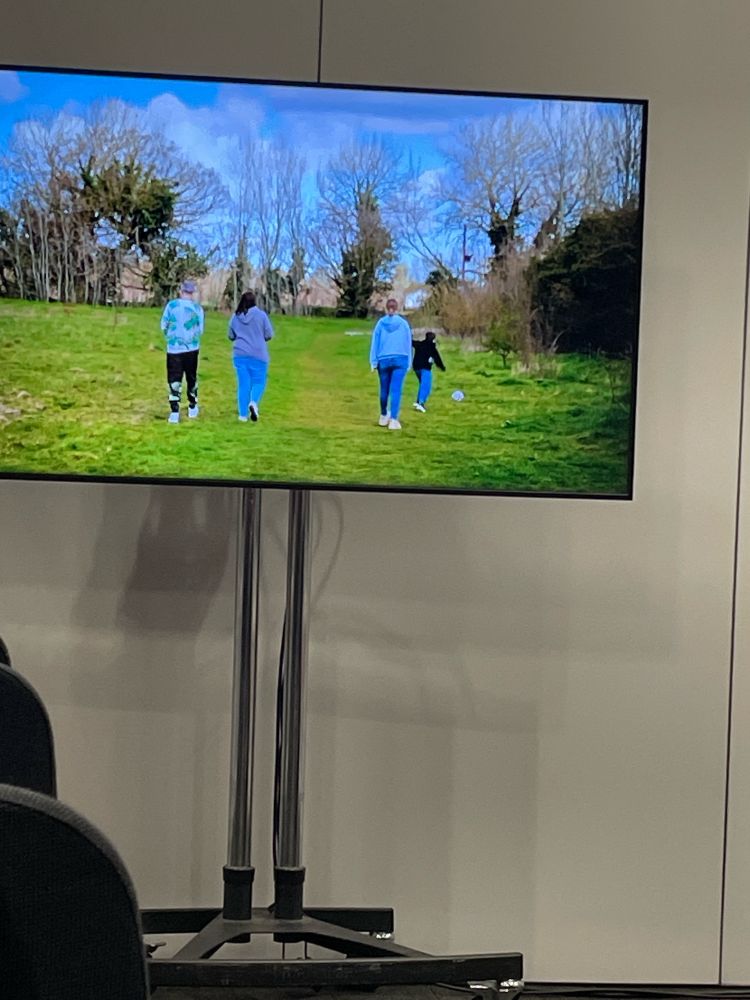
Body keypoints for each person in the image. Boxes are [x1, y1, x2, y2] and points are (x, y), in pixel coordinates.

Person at [160, 279, 204, 424]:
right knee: (191, 377)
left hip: (174, 349)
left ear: (181, 290)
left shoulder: (171, 306)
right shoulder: (198, 309)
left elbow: (163, 325)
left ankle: (174, 412)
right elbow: (200, 330)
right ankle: (192, 406)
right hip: (192, 349)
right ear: (192, 292)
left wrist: (171, 336)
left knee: (174, 379)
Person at [228, 290, 274, 422]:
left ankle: (242, 415)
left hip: (240, 354)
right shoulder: (261, 315)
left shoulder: (235, 316)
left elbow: (231, 335)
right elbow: (269, 334)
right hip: (258, 354)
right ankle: (253, 402)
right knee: (259, 382)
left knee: (243, 384)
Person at [369, 298, 412, 430]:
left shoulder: (380, 324)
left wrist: (373, 361)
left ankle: (383, 415)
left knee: (384, 389)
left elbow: (375, 343)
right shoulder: (403, 324)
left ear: (386, 308)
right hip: (400, 358)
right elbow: (408, 343)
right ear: (397, 308)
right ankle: (393, 419)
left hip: (384, 359)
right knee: (396, 390)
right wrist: (409, 361)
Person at [411, 330, 446, 412]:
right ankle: (421, 403)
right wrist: (442, 367)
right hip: (425, 368)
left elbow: (411, 342)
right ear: (433, 339)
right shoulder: (432, 348)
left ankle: (418, 401)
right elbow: (437, 359)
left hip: (416, 368)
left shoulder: (419, 344)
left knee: (422, 384)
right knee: (426, 386)